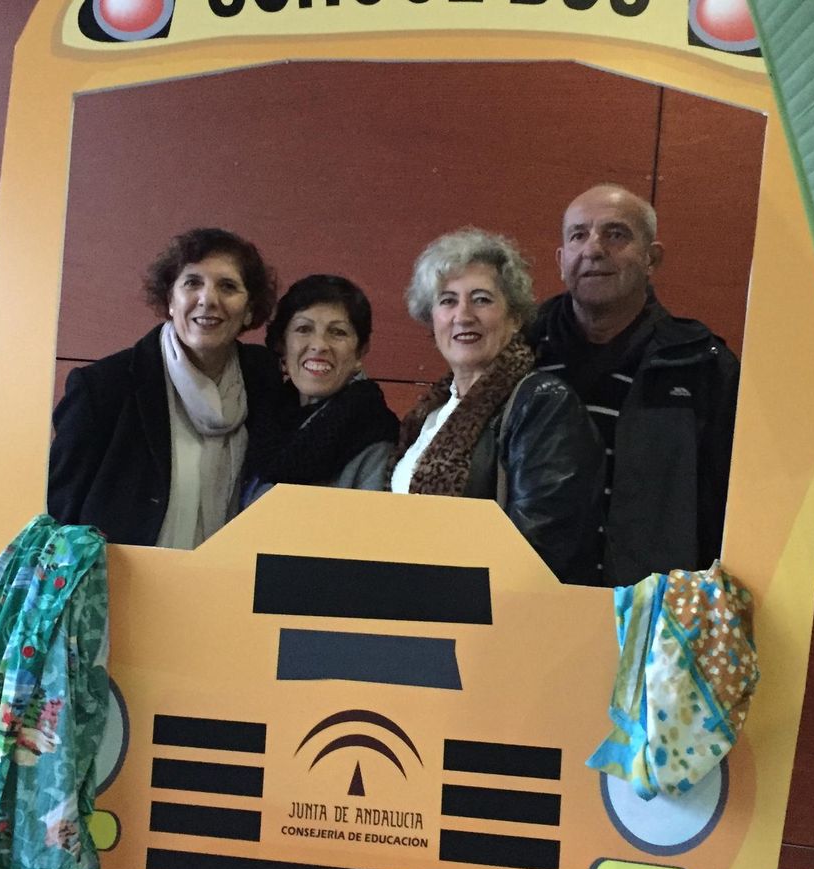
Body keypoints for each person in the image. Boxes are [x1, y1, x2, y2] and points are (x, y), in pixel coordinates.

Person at [528, 184, 740, 585]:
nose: (593, 249)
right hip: (527, 602)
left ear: (651, 258)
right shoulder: (519, 352)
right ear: (561, 260)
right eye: (578, 235)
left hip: (652, 614)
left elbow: (732, 507)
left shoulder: (701, 365)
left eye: (615, 234)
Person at [389, 227, 604, 584]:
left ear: (515, 317)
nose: (463, 315)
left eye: (482, 299)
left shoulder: (544, 404)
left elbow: (539, 548)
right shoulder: (429, 414)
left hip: (490, 623)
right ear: (432, 318)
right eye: (447, 300)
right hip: (414, 615)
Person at [47, 227, 282, 549]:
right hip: (122, 590)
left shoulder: (266, 383)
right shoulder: (104, 387)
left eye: (228, 286)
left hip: (229, 587)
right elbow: (58, 513)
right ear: (170, 299)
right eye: (192, 283)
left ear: (250, 310)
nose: (208, 299)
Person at [239, 275, 400, 507]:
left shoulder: (374, 437)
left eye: (338, 332)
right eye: (304, 329)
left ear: (360, 353)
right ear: (281, 345)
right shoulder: (263, 417)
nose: (319, 345)